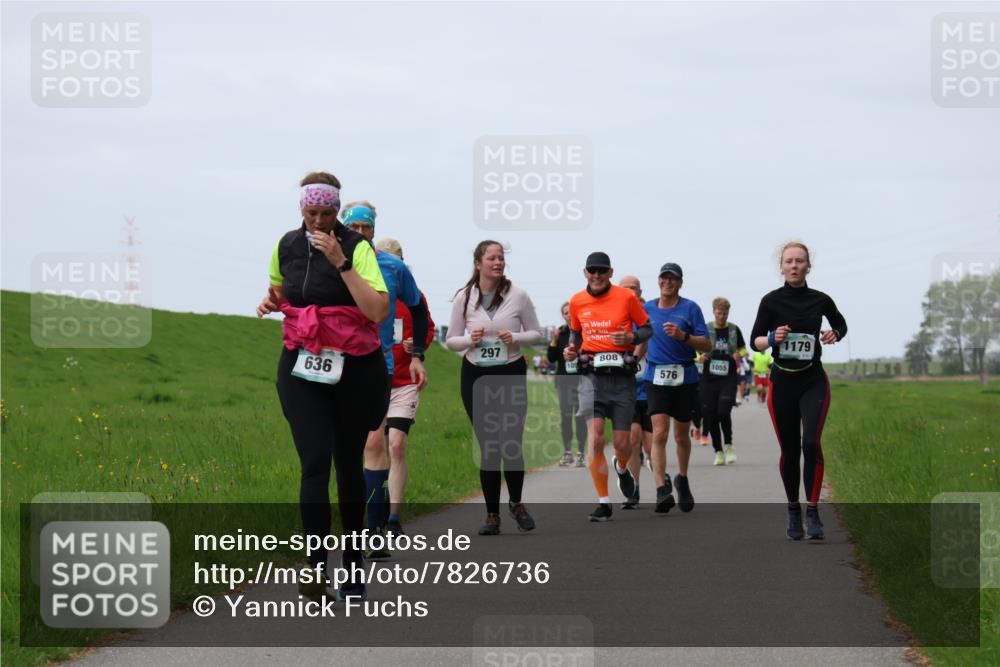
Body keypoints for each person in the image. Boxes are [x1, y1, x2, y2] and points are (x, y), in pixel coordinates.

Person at [257, 171, 389, 602]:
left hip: (355, 367)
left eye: (326, 213)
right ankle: (315, 567)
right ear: (302, 208)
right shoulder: (286, 245)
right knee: (314, 462)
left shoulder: (357, 248)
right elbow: (282, 292)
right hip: (302, 363)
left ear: (337, 211)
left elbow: (376, 311)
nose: (318, 221)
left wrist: (341, 262)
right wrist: (272, 302)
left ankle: (352, 566)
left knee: (347, 465)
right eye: (311, 212)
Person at [339, 202, 429, 560]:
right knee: (347, 450)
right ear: (344, 228)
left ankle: (375, 531)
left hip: (379, 365)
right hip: (339, 367)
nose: (361, 233)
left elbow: (419, 308)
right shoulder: (329, 264)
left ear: (374, 230)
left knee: (377, 442)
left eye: (367, 227)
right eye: (355, 227)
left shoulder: (393, 266)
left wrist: (418, 353)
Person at [750, 241, 847, 541]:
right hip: (782, 383)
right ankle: (794, 509)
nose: (794, 266)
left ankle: (813, 511)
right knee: (790, 450)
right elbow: (755, 341)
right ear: (781, 267)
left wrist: (834, 333)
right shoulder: (770, 301)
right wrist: (772, 338)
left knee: (811, 443)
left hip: (812, 380)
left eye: (799, 261)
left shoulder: (821, 300)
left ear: (808, 266)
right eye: (789, 261)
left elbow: (841, 324)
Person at [446, 241, 542, 535]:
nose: (498, 262)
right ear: (478, 263)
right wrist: (469, 340)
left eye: (501, 258)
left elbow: (536, 333)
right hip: (476, 375)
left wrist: (515, 337)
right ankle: (492, 516)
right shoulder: (465, 297)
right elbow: (452, 340)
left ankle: (516, 503)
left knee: (511, 442)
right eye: (492, 258)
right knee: (489, 445)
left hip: (510, 371)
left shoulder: (518, 295)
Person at [564, 252, 652, 522]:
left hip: (622, 379)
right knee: (597, 437)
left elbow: (647, 329)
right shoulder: (577, 300)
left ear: (611, 272)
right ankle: (603, 501)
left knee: (624, 444)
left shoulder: (626, 297)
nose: (597, 275)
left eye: (602, 271)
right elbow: (576, 333)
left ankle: (621, 467)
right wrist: (571, 349)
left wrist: (631, 337)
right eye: (592, 271)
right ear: (585, 273)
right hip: (592, 377)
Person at [374, 237, 435, 538]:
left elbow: (428, 326)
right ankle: (378, 504)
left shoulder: (412, 295)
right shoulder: (368, 292)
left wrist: (417, 347)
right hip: (373, 380)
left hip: (404, 381)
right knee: (377, 447)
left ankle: (394, 517)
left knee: (396, 445)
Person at [642, 263, 711, 514]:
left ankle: (682, 478)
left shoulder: (690, 308)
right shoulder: (647, 309)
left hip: (685, 377)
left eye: (673, 279)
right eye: (664, 277)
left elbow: (707, 345)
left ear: (680, 283)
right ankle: (661, 489)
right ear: (658, 280)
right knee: (659, 433)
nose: (668, 282)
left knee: (681, 436)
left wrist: (684, 336)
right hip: (656, 377)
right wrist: (631, 356)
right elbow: (639, 338)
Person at [699, 297, 747, 466]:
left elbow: (743, 349)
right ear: (714, 312)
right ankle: (718, 451)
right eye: (719, 313)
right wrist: (699, 357)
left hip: (728, 378)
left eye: (725, 314)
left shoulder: (734, 329)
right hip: (708, 379)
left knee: (723, 412)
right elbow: (695, 349)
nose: (721, 317)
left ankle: (728, 445)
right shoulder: (706, 329)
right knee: (711, 415)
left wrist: (739, 354)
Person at [619, 275, 652, 510]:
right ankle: (634, 490)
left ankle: (661, 482)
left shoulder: (649, 317)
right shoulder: (615, 318)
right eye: (626, 288)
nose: (630, 292)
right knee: (633, 439)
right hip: (627, 391)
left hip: (650, 390)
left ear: (640, 292)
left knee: (651, 446)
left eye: (634, 288)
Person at [547, 302, 588, 467]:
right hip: (564, 381)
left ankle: (581, 453)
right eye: (565, 313)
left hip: (581, 381)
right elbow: (551, 358)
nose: (569, 315)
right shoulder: (561, 333)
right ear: (563, 316)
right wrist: (554, 340)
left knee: (580, 417)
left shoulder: (585, 331)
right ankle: (567, 453)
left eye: (571, 312)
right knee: (565, 417)